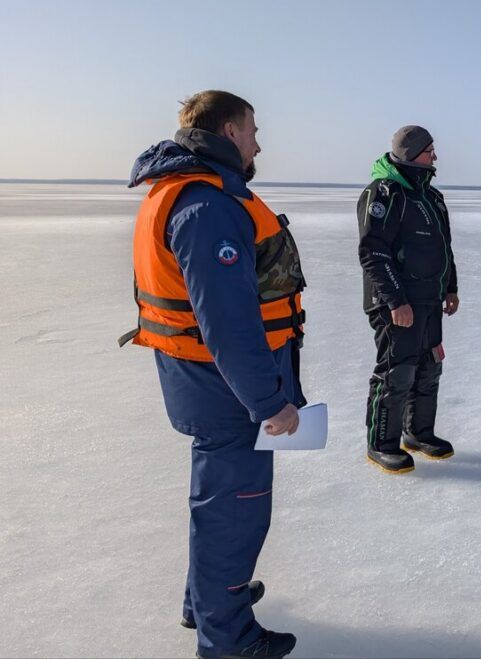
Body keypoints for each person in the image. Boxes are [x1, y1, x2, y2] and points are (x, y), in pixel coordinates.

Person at [120, 91, 305, 658]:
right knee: (235, 509)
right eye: (253, 131)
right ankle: (227, 639)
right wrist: (268, 401)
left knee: (222, 503)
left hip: (203, 378)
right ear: (228, 131)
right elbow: (227, 322)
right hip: (224, 388)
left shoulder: (184, 191)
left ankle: (204, 603)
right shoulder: (208, 206)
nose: (258, 144)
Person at [357, 125, 459, 473]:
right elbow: (373, 252)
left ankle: (418, 433)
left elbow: (445, 249)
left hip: (430, 299)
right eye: (429, 150)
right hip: (397, 304)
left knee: (430, 366)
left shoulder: (432, 197)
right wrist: (395, 301)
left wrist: (450, 287)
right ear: (411, 153)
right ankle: (381, 444)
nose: (435, 156)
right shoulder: (384, 193)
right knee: (396, 371)